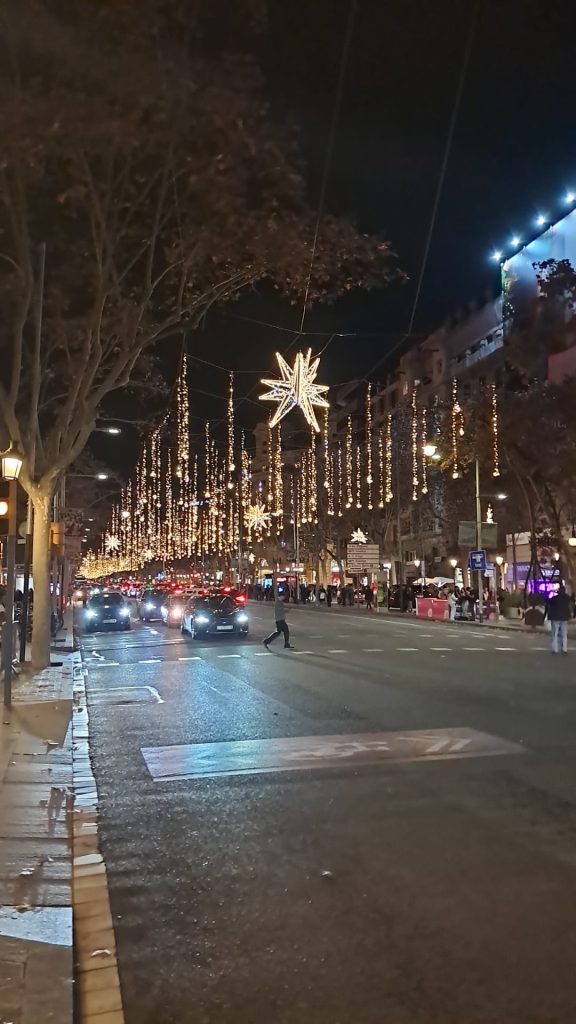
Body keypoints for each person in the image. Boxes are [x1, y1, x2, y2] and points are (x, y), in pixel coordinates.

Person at [545, 583, 572, 654]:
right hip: (564, 617)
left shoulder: (554, 598)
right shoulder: (567, 598)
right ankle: (564, 649)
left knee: (555, 633)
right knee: (564, 633)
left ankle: (555, 649)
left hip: (555, 617)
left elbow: (548, 602)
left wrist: (551, 592)